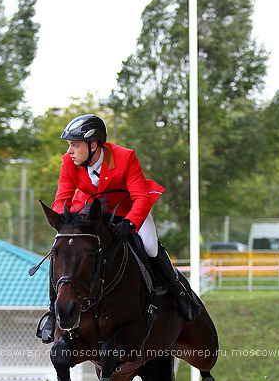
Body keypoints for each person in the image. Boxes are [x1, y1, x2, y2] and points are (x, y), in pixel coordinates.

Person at [37, 114, 199, 343]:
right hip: (88, 213)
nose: (70, 151)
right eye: (69, 146)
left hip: (127, 209)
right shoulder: (68, 162)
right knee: (62, 249)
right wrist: (65, 222)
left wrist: (130, 223)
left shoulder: (125, 157)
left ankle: (179, 294)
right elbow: (61, 197)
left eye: (75, 145)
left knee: (150, 246)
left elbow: (141, 197)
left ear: (93, 146)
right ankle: (53, 313)